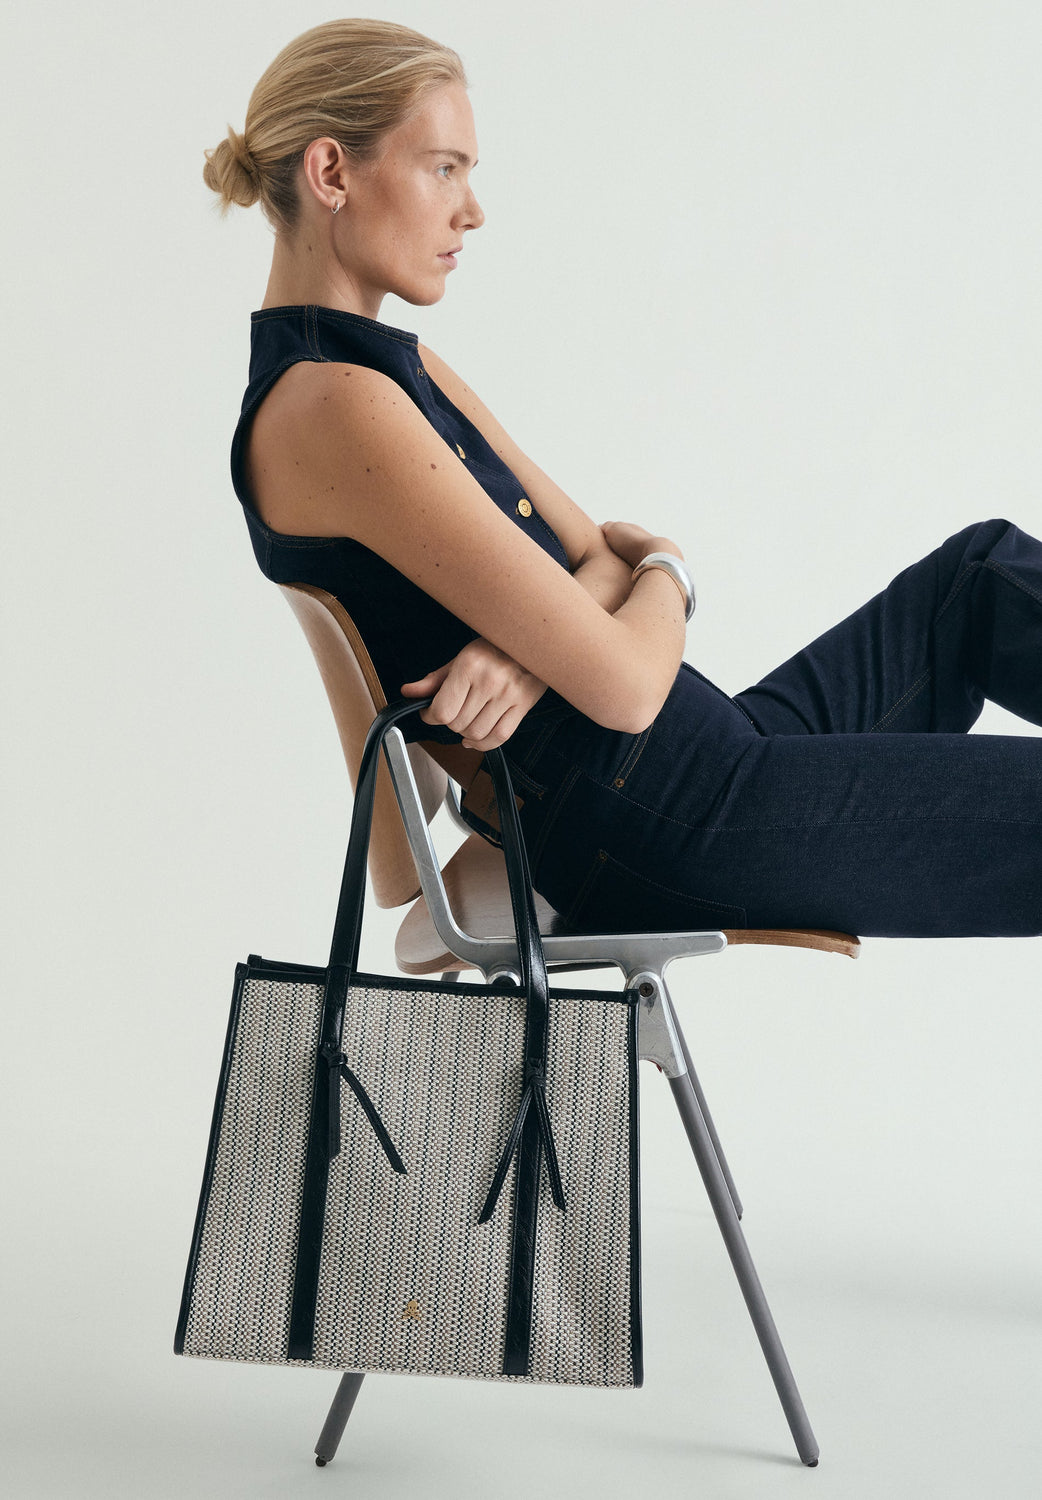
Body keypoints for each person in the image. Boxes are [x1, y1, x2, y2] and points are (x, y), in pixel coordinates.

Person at [204, 18, 1042, 940]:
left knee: (979, 580)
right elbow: (630, 683)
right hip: (675, 819)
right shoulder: (332, 406)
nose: (471, 210)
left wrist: (532, 651)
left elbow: (598, 554)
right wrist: (669, 570)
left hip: (709, 758)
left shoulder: (394, 370)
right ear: (332, 173)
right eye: (444, 168)